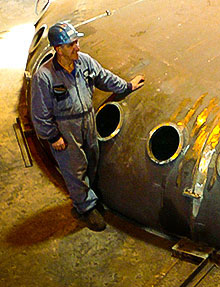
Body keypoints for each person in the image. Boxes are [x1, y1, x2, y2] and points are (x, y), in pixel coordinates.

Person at [30, 22, 144, 231]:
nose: (78, 47)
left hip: (87, 119)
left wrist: (127, 86)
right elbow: (39, 112)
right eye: (72, 44)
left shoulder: (84, 62)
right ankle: (86, 207)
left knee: (91, 159)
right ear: (58, 49)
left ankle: (89, 196)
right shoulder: (44, 77)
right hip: (66, 126)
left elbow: (104, 77)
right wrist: (53, 136)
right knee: (75, 169)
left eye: (77, 42)